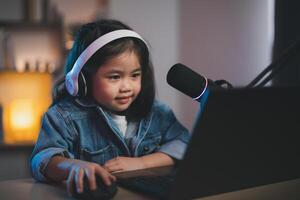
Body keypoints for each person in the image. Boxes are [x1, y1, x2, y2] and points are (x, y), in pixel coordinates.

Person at [30, 19, 190, 195]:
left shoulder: (158, 113)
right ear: (82, 80)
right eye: (114, 77)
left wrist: (142, 163)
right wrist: (73, 166)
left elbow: (184, 144)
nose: (127, 87)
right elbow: (42, 160)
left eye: (135, 75)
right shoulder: (63, 117)